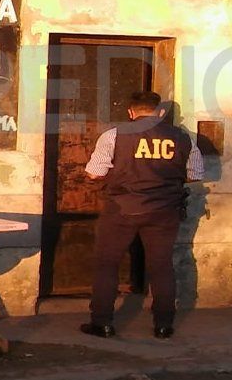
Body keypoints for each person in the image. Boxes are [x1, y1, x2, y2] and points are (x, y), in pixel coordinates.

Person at [80, 91, 204, 339]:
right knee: (161, 265)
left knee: (107, 264)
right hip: (164, 210)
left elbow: (95, 173)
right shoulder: (182, 137)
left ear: (131, 112)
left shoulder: (114, 135)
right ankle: (163, 325)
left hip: (122, 209)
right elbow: (196, 174)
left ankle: (102, 323)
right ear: (159, 112)